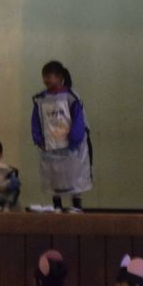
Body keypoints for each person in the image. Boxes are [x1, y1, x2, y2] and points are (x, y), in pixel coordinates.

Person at [30, 61, 92, 213]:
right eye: (44, 76)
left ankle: (76, 204)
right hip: (50, 144)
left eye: (49, 76)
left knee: (75, 174)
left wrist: (75, 139)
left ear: (59, 77)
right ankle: (57, 205)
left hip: (71, 145)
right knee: (54, 175)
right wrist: (38, 139)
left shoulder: (72, 97)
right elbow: (36, 120)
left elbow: (79, 119)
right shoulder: (40, 98)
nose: (45, 80)